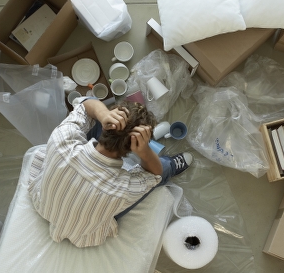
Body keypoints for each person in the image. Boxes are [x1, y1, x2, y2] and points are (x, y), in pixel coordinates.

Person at [26, 98, 193, 247]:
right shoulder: (121, 190)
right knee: (162, 169)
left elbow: (85, 105)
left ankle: (105, 121)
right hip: (83, 233)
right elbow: (154, 174)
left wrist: (103, 114)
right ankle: (171, 165)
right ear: (132, 151)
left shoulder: (62, 139)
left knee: (92, 108)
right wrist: (145, 153)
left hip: (45, 206)